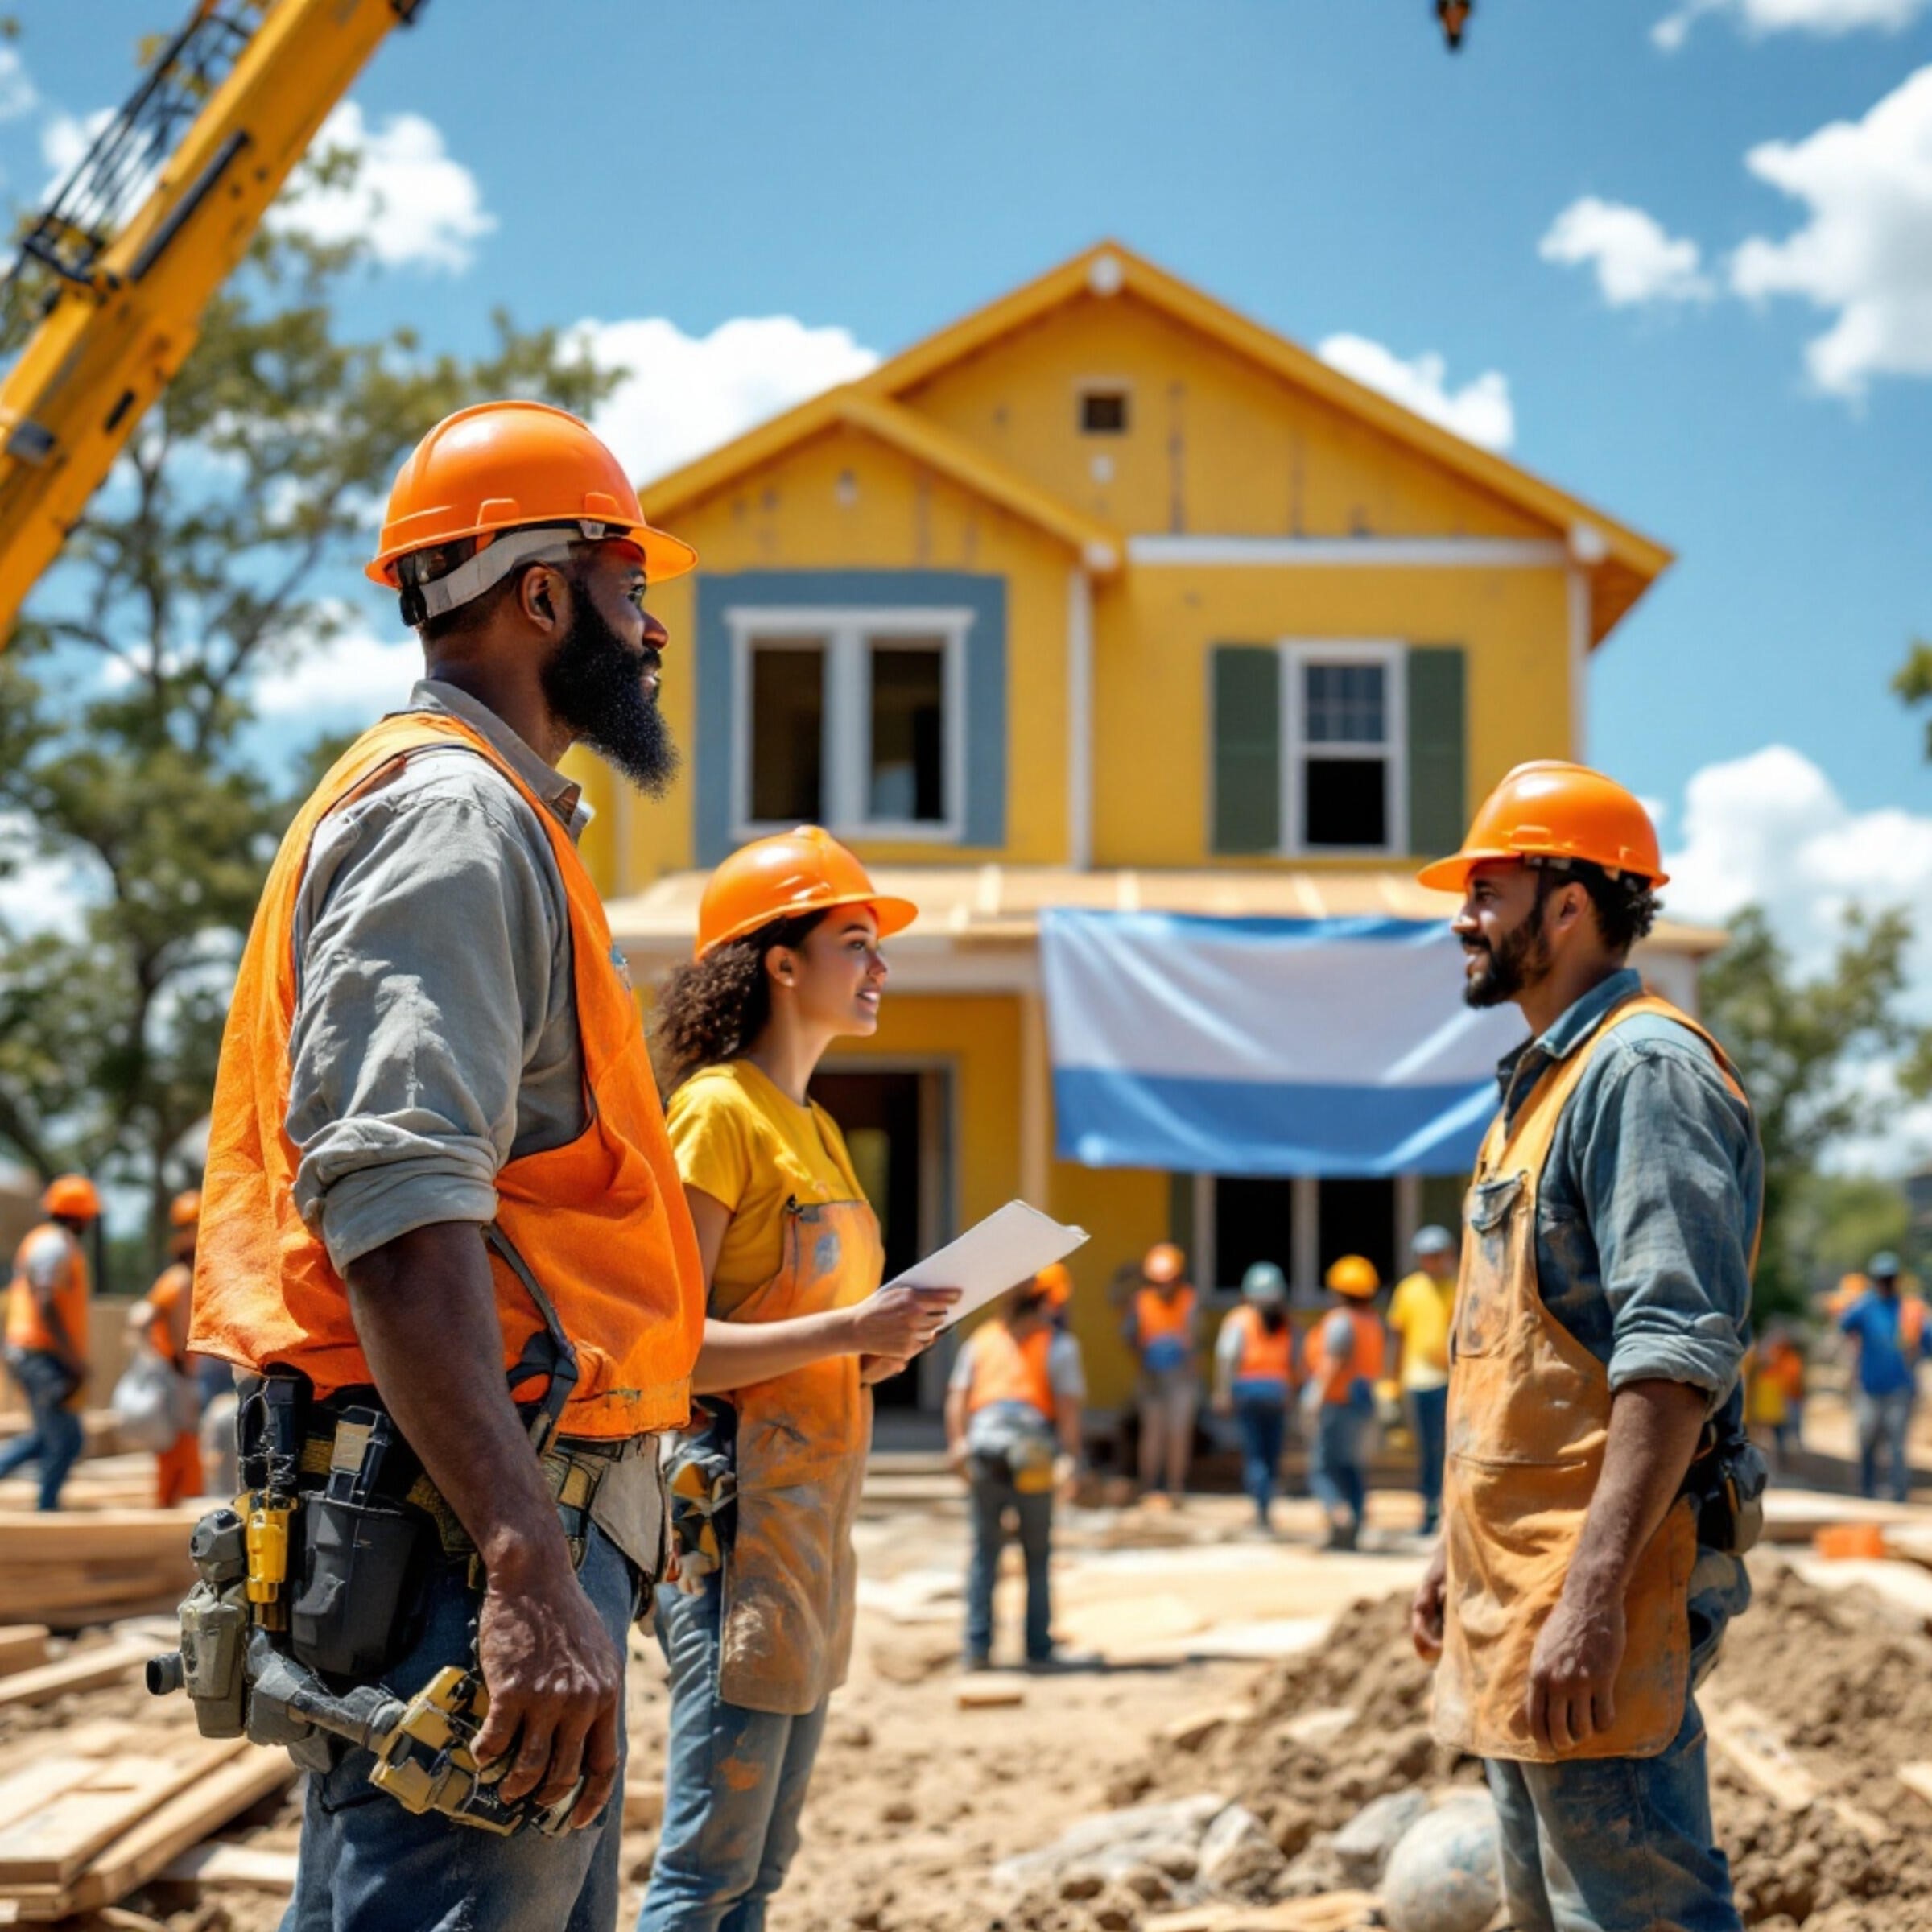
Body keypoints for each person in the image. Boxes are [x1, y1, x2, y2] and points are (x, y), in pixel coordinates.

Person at [190, 402, 708, 1931]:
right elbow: (402, 1220)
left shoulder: (495, 822)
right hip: (455, 1532)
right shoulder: (452, 822)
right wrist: (526, 1561)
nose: (653, 626)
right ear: (539, 593)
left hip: (472, 1515)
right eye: (627, 581)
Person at [1406, 761, 1761, 1932]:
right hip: (1520, 1586)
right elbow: (1517, 1363)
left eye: (1489, 890)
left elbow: (1671, 1357)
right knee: (1552, 1913)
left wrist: (1596, 1595)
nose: (1465, 916)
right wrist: (1449, 1548)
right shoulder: (1542, 1086)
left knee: (1637, 1911)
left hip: (1595, 1594)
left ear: (1570, 906)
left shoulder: (1640, 1073)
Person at [639, 828, 957, 1932]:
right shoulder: (717, 1114)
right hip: (734, 1521)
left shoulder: (816, 1126)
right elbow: (670, 1351)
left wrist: (875, 1347)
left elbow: (807, 1336)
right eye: (856, 942)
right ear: (780, 962)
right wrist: (844, 1330)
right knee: (704, 1871)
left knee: (762, 1868)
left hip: (814, 1525)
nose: (880, 969)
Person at [947, 1263, 1085, 1669]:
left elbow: (958, 1396)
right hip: (1032, 1453)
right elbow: (1068, 1409)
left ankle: (977, 1648)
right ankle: (1037, 1648)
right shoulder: (1058, 1344)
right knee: (1036, 1553)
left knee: (985, 1551)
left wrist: (958, 1444)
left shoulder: (982, 1340)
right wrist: (1072, 1460)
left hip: (985, 1448)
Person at [0, 1174, 98, 1511]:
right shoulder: (54, 1245)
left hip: (34, 1352)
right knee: (67, 1439)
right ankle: (47, 1510)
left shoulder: (48, 1241)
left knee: (48, 1437)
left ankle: (47, 1506)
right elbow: (46, 1303)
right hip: (39, 1354)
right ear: (80, 1215)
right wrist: (73, 1361)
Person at [126, 1190, 204, 1506]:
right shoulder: (178, 1279)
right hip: (174, 1370)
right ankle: (173, 1502)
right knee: (178, 1441)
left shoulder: (180, 1278)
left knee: (181, 1440)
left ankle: (173, 1501)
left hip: (179, 1368)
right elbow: (140, 1318)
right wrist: (164, 1358)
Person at [1303, 1255, 1385, 1550]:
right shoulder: (1372, 1321)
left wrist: (1314, 1396)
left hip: (1338, 1401)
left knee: (1322, 1467)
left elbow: (1333, 1361)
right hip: (1363, 1401)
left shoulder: (1340, 1322)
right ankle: (1355, 1523)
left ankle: (1340, 1516)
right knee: (1351, 1466)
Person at [1838, 1251, 1928, 1503]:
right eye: (1881, 1278)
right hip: (1869, 1388)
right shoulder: (1866, 1306)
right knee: (1867, 1441)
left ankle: (1898, 1496)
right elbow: (1843, 1325)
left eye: (1889, 1278)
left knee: (1897, 1446)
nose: (1885, 1282)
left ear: (1896, 1279)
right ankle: (1866, 1492)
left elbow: (1928, 1342)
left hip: (1900, 1389)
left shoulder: (1910, 1310)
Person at [1211, 1261, 1294, 1531]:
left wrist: (1222, 1391)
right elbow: (1295, 1362)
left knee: (1256, 1454)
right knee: (1271, 1454)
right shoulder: (1285, 1322)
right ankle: (1266, 1505)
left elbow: (1227, 1358)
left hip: (1249, 1392)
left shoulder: (1239, 1319)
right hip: (1277, 1393)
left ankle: (1261, 1508)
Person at [1388, 1225, 1458, 1534]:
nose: (1432, 1261)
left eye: (1437, 1255)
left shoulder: (1459, 1286)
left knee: (1450, 1448)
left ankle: (1450, 1510)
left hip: (1451, 1381)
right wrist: (1389, 1383)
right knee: (1428, 1449)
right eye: (1427, 1256)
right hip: (1417, 1381)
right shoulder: (1409, 1290)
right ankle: (1430, 1508)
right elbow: (1397, 1338)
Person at [1125, 1242, 1198, 1501]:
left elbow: (1195, 1337)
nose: (1163, 1286)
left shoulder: (1189, 1299)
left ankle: (1175, 1487)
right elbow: (1131, 1336)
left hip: (1180, 1376)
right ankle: (1150, 1487)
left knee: (1178, 1433)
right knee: (1152, 1432)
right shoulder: (1142, 1301)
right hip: (1151, 1376)